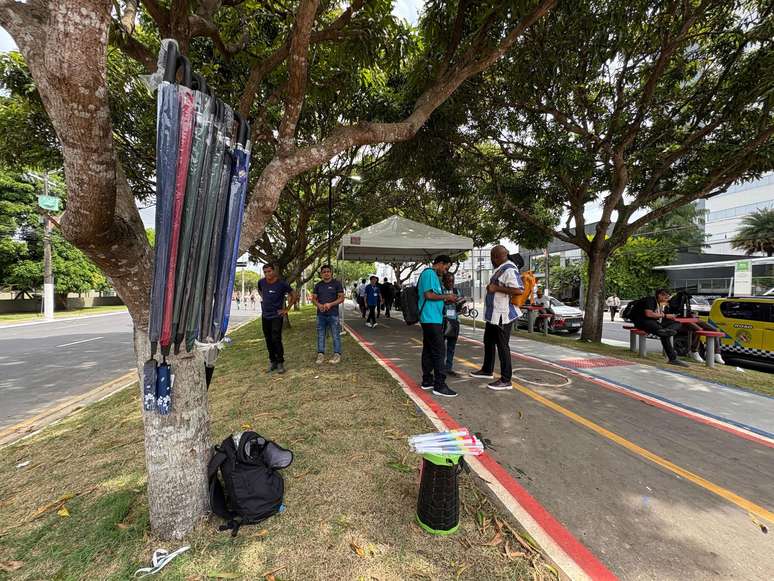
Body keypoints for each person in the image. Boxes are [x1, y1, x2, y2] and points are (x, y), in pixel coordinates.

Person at [470, 246, 523, 390]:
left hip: (502, 315)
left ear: (499, 256)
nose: (492, 260)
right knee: (488, 341)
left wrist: (496, 288)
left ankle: (506, 380)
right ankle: (487, 370)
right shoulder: (501, 267)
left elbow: (519, 290)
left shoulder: (510, 269)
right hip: (493, 315)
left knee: (502, 346)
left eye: (493, 257)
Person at [418, 256, 459, 398]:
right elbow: (429, 295)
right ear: (440, 264)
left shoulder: (432, 275)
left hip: (432, 317)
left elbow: (433, 296)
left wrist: (447, 299)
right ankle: (439, 384)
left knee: (429, 349)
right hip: (431, 318)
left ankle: (427, 380)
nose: (446, 271)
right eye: (446, 267)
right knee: (439, 351)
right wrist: (446, 297)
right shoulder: (429, 273)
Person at [257, 263, 297, 374]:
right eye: (265, 272)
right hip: (265, 315)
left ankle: (280, 362)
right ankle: (273, 362)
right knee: (268, 339)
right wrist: (264, 297)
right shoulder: (261, 282)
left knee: (276, 338)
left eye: (269, 271)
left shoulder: (282, 284)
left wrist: (287, 309)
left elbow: (294, 294)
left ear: (274, 271)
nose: (267, 274)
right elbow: (260, 290)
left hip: (276, 316)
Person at [631, 288, 687, 367]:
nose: (666, 299)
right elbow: (649, 314)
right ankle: (672, 358)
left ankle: (667, 330)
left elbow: (658, 315)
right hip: (642, 322)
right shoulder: (650, 300)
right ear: (660, 295)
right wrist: (665, 315)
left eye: (667, 298)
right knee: (663, 334)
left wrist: (669, 316)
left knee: (677, 323)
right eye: (665, 297)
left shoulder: (659, 303)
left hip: (653, 322)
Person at [311, 264, 344, 364]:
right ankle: (320, 355)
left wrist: (331, 304)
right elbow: (313, 299)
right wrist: (319, 305)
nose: (326, 273)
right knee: (320, 335)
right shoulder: (318, 285)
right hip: (321, 315)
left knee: (335, 335)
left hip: (333, 315)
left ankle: (337, 355)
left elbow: (341, 298)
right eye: (324, 272)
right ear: (321, 274)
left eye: (328, 271)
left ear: (331, 273)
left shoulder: (337, 284)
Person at [442, 272, 464, 377]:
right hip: (443, 322)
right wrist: (446, 301)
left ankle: (448, 368)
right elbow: (438, 305)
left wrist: (461, 306)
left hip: (454, 322)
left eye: (452, 281)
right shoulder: (440, 291)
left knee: (451, 347)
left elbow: (460, 308)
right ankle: (440, 367)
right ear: (443, 281)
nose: (451, 283)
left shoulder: (456, 291)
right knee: (441, 347)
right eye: (448, 280)